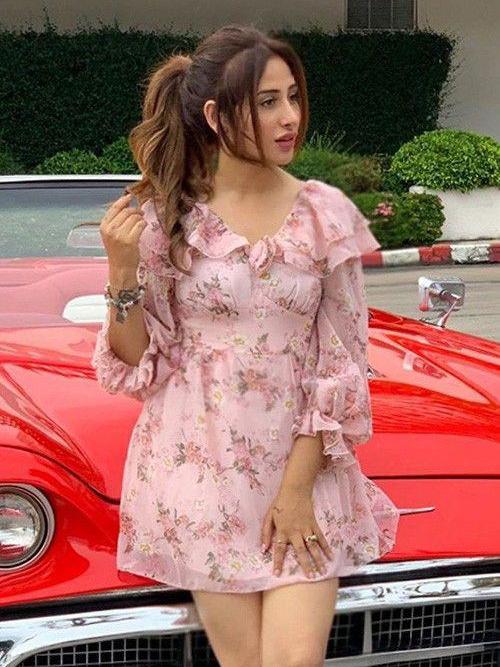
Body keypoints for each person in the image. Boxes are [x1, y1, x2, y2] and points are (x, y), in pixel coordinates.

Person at [91, 23, 400, 667]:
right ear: (215, 115)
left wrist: (296, 492)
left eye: (294, 96)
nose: (290, 117)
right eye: (267, 102)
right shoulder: (168, 220)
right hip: (199, 474)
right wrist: (122, 273)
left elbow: (343, 362)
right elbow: (137, 364)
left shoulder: (325, 214)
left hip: (303, 472)